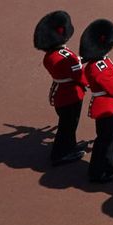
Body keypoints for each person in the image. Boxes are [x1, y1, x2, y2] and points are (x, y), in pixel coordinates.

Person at [35, 10, 86, 166]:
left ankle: (70, 145)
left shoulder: (50, 55)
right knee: (68, 126)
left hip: (59, 94)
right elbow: (81, 76)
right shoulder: (65, 56)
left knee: (67, 123)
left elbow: (70, 66)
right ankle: (60, 154)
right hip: (71, 95)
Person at [80, 18, 113, 184]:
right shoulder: (96, 66)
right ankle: (96, 172)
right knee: (103, 139)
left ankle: (112, 163)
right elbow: (112, 86)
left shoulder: (101, 61)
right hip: (105, 106)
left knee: (111, 136)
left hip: (111, 105)